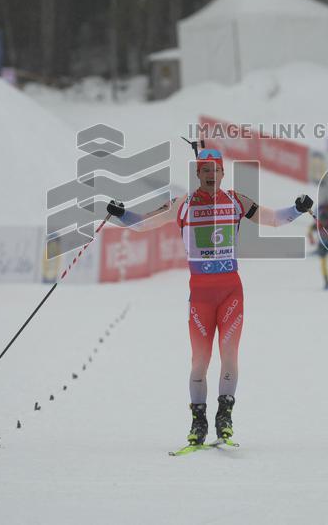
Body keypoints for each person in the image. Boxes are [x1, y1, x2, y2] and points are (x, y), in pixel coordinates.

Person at [106, 148, 313, 447]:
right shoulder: (183, 205)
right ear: (197, 173)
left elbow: (274, 220)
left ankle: (224, 417)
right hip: (201, 294)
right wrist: (121, 213)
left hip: (231, 292)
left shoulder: (236, 200)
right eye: (205, 170)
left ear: (222, 173)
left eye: (215, 170)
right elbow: (143, 224)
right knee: (200, 360)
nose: (211, 175)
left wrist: (297, 208)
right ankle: (198, 421)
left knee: (229, 355)